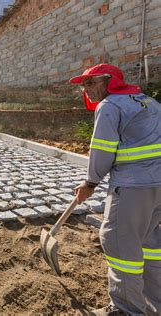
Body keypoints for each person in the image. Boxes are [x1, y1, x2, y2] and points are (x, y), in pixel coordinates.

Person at [72, 64, 161, 315]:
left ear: (110, 82)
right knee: (148, 242)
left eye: (91, 83)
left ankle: (126, 309)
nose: (86, 89)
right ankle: (155, 306)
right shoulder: (150, 103)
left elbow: (102, 148)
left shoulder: (110, 106)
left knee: (119, 242)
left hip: (133, 187)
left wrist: (90, 183)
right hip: (158, 187)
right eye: (83, 85)